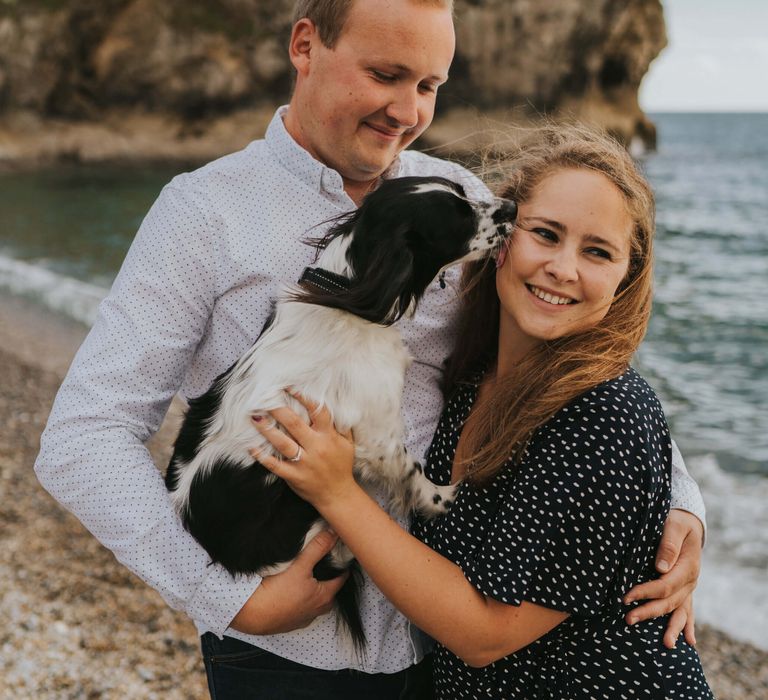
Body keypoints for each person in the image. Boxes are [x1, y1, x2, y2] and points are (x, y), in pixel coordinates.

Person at [34, 0, 705, 697]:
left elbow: (566, 353)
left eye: (429, 87)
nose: (407, 110)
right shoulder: (204, 215)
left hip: (449, 647)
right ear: (304, 45)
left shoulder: (461, 198)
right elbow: (86, 435)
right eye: (386, 74)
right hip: (288, 654)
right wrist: (224, 600)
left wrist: (679, 501)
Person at [252, 124, 714, 698]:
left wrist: (336, 492)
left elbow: (483, 633)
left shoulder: (606, 415)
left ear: (626, 278)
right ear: (500, 239)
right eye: (545, 234)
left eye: (597, 252)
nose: (563, 269)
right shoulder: (471, 378)